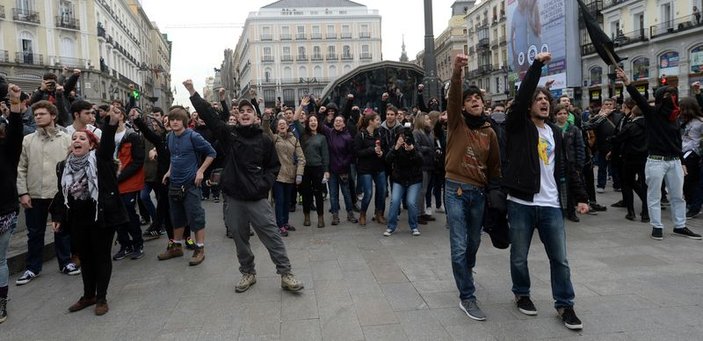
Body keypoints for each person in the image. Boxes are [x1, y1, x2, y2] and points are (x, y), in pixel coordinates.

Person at [184, 79, 304, 293]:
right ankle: (247, 273)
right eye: (242, 111)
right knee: (240, 239)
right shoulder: (229, 135)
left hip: (257, 198)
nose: (246, 113)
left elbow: (273, 167)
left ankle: (286, 273)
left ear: (256, 116)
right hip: (235, 199)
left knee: (272, 236)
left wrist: (263, 185)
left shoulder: (265, 140)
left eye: (250, 110)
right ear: (237, 116)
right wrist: (192, 92)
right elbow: (209, 117)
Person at [504, 52, 589, 330]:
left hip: (551, 204)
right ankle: (522, 293)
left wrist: (580, 197)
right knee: (519, 255)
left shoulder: (555, 131)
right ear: (528, 106)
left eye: (546, 100)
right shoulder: (519, 126)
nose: (543, 102)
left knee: (560, 259)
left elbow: (564, 167)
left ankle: (565, 305)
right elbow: (522, 95)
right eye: (538, 100)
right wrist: (537, 66)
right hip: (522, 202)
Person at [50, 105, 129, 316]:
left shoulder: (101, 161)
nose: (77, 141)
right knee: (85, 257)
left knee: (101, 256)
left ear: (92, 145)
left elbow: (107, 146)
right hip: (78, 218)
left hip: (101, 216)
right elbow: (62, 193)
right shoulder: (63, 166)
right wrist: (57, 216)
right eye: (74, 138)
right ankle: (88, 295)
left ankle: (101, 297)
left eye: (83, 139)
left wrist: (111, 123)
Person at [445, 55, 501, 322]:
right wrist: (457, 72)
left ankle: (466, 271)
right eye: (469, 99)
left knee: (474, 242)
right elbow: (453, 98)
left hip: (478, 192)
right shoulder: (457, 123)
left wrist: (496, 194)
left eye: (477, 97)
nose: (473, 101)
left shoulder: (489, 131)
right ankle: (467, 295)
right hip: (455, 189)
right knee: (459, 245)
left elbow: (494, 167)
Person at [618, 67, 702, 240]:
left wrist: (682, 162)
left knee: (678, 196)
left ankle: (680, 225)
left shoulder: (675, 118)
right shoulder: (652, 113)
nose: (672, 99)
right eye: (668, 95)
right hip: (656, 161)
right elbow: (639, 99)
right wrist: (627, 81)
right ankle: (657, 226)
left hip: (674, 161)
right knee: (654, 195)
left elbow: (677, 142)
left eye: (674, 94)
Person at [16, 100, 78, 286]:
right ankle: (32, 267)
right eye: (35, 114)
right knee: (35, 233)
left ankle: (65, 262)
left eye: (42, 114)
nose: (37, 117)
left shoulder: (67, 138)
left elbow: (74, 164)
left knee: (63, 231)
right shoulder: (28, 140)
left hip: (60, 194)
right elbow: (21, 168)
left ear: (53, 116)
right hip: (34, 194)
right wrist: (23, 193)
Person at [158, 106, 216, 266]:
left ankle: (200, 249)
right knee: (177, 217)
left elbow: (212, 152)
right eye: (172, 119)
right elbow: (174, 157)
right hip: (174, 184)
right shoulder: (169, 136)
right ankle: (176, 247)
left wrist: (201, 171)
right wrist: (169, 172)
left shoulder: (193, 136)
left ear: (184, 121)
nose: (175, 122)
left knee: (196, 217)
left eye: (178, 119)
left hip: (190, 185)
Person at [0, 83, 25, 322]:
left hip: (2, 213)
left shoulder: (7, 150)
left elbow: (16, 130)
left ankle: (1, 302)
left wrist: (15, 103)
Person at [111, 108, 146, 260]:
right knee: (116, 214)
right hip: (112, 181)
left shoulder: (132, 135)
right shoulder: (106, 135)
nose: (112, 114)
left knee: (129, 211)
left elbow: (138, 161)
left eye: (116, 111)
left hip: (129, 180)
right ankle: (125, 245)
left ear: (122, 116)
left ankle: (138, 243)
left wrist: (120, 176)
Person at [263, 115, 305, 236]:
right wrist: (266, 118)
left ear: (287, 126)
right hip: (278, 175)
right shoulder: (274, 138)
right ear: (277, 127)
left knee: (287, 201)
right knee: (280, 201)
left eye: (284, 124)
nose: (282, 125)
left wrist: (299, 174)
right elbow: (266, 129)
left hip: (291, 175)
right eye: (279, 124)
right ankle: (279, 225)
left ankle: (285, 222)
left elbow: (301, 158)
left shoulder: (294, 139)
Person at [611, 105, 648, 221]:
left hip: (630, 158)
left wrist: (610, 140)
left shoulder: (630, 126)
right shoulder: (649, 125)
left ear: (633, 113)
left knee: (627, 183)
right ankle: (645, 213)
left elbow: (618, 138)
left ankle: (631, 212)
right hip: (645, 158)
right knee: (644, 184)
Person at [384, 134, 423, 236]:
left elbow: (421, 161)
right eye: (401, 139)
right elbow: (387, 160)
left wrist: (412, 150)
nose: (404, 142)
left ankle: (414, 226)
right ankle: (391, 227)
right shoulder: (396, 148)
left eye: (406, 140)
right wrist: (396, 147)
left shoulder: (414, 146)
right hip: (399, 179)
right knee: (395, 201)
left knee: (411, 202)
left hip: (414, 179)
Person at [553, 104, 586, 222]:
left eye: (565, 113)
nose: (562, 116)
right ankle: (560, 211)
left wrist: (579, 165)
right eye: (559, 113)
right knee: (557, 188)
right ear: (555, 116)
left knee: (571, 188)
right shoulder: (552, 129)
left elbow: (580, 147)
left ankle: (571, 212)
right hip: (556, 164)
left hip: (571, 164)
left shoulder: (574, 129)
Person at [354, 113, 387, 226]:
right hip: (365, 169)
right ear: (370, 121)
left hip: (379, 167)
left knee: (382, 192)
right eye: (377, 120)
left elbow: (384, 148)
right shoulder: (360, 135)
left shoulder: (380, 133)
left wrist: (381, 153)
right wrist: (371, 150)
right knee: (368, 193)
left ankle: (379, 213)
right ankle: (363, 214)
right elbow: (357, 153)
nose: (379, 122)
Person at [298, 114, 330, 228]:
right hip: (305, 168)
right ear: (307, 123)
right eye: (310, 121)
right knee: (306, 194)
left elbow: (325, 155)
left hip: (318, 168)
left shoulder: (322, 137)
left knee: (318, 194)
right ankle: (306, 216)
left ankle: (320, 218)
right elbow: (295, 120)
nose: (313, 122)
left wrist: (326, 170)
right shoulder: (303, 135)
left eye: (315, 120)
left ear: (317, 123)